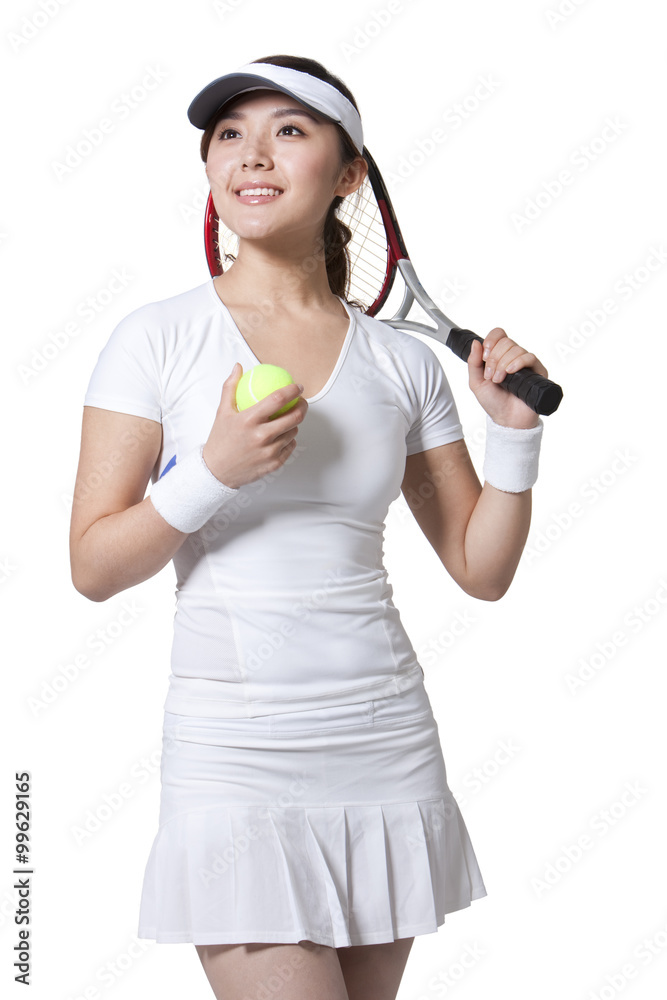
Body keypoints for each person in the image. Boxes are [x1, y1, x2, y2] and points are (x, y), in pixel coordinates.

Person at [69, 54, 548, 1000]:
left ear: (349, 172)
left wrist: (513, 440)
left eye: (289, 130)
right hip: (233, 756)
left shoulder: (401, 366)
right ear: (209, 167)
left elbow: (478, 568)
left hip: (383, 745)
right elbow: (90, 564)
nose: (253, 154)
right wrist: (211, 470)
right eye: (229, 135)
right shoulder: (154, 337)